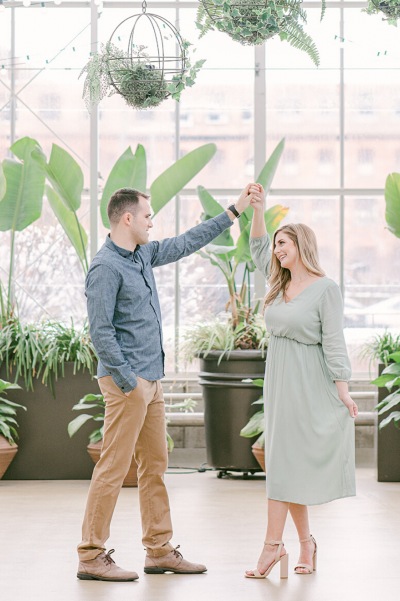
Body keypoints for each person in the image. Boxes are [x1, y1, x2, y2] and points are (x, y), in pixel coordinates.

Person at [77, 182, 255, 582]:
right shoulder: (105, 267)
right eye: (147, 215)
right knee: (113, 467)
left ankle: (159, 550)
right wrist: (128, 381)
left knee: (155, 465)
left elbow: (188, 241)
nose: (152, 222)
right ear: (128, 218)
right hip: (128, 383)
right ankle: (90, 554)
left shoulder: (142, 255)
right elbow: (100, 332)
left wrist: (234, 211)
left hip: (151, 379)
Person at [244, 183, 357, 580]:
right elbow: (257, 247)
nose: (277, 249)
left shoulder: (325, 289)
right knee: (283, 464)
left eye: (284, 243)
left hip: (309, 383)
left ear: (302, 245)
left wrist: (342, 388)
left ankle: (273, 546)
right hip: (279, 383)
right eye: (276, 244)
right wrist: (258, 209)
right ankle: (304, 543)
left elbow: (334, 341)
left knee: (285, 466)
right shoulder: (279, 284)